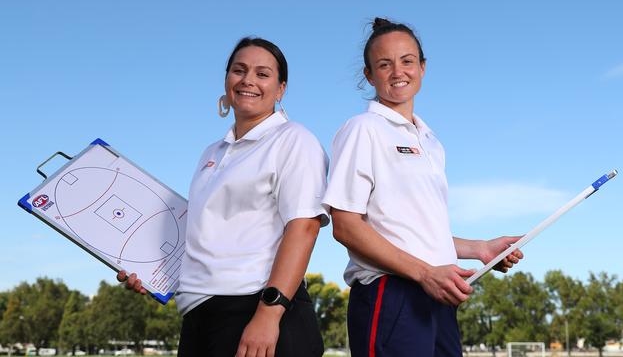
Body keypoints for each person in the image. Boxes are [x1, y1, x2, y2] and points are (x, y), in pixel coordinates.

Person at [322, 18, 524, 357]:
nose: (397, 71)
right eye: (384, 64)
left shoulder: (431, 142)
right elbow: (345, 226)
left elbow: (413, 229)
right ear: (370, 75)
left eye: (407, 61)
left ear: (423, 67)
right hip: (391, 294)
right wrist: (425, 273)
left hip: (437, 295)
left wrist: (480, 248)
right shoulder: (363, 129)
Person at [118, 37, 327, 357]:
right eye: (239, 70)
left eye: (262, 74)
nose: (248, 80)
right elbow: (207, 236)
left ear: (281, 89)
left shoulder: (294, 140)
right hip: (198, 313)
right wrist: (153, 276)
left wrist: (269, 314)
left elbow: (304, 227)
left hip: (257, 309)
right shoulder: (211, 153)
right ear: (227, 80)